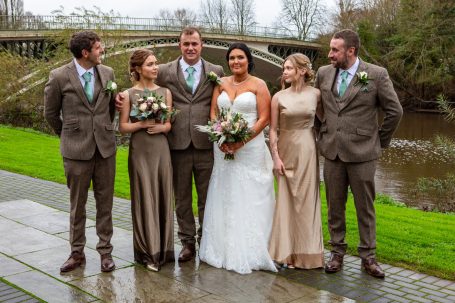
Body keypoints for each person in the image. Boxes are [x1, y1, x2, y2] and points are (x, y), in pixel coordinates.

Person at [116, 27, 223, 262]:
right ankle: (187, 243)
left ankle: (206, 240)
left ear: (201, 45)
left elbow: (223, 99)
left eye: (195, 44)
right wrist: (120, 98)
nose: (190, 48)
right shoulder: (164, 71)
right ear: (180, 45)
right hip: (176, 145)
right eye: (186, 44)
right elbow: (142, 86)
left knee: (207, 197)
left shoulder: (216, 71)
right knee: (182, 197)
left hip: (206, 144)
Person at [315, 29, 403, 278]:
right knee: (334, 206)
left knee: (365, 207)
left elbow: (395, 111)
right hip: (332, 152)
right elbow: (317, 108)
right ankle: (337, 252)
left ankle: (368, 257)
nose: (330, 54)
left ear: (351, 51)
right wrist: (321, 134)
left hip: (363, 153)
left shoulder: (376, 74)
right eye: (330, 49)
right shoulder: (323, 73)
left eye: (335, 50)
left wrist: (379, 141)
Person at [198, 42, 277, 275]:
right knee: (224, 192)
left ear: (248, 59)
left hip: (249, 148)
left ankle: (250, 248)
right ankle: (219, 249)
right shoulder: (220, 83)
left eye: (240, 57)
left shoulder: (259, 85)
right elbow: (213, 112)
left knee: (248, 193)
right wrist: (220, 135)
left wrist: (241, 141)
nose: (235, 62)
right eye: (231, 58)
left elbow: (264, 118)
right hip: (222, 147)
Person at [44, 31, 116, 273]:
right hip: (75, 151)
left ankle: (106, 253)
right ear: (85, 52)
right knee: (78, 206)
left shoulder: (107, 73)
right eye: (98, 48)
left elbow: (109, 109)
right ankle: (77, 254)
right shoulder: (58, 76)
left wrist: (103, 130)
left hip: (105, 150)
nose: (102, 51)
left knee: (105, 204)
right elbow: (51, 114)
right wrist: (69, 135)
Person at [118, 49, 174, 272]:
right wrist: (141, 124)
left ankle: (164, 250)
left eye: (156, 63)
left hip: (161, 149)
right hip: (140, 150)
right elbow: (122, 127)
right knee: (144, 197)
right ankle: (148, 252)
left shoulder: (166, 92)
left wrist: (163, 126)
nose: (155, 67)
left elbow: (168, 124)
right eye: (150, 64)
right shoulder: (127, 94)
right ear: (138, 69)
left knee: (162, 195)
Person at [268, 53, 325, 269]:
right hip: (285, 149)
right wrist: (275, 156)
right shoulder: (278, 97)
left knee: (307, 202)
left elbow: (325, 120)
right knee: (286, 201)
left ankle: (307, 255)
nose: (284, 72)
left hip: (308, 150)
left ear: (302, 71)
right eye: (284, 68)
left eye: (289, 68)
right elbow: (273, 130)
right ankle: (286, 254)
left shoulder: (316, 95)